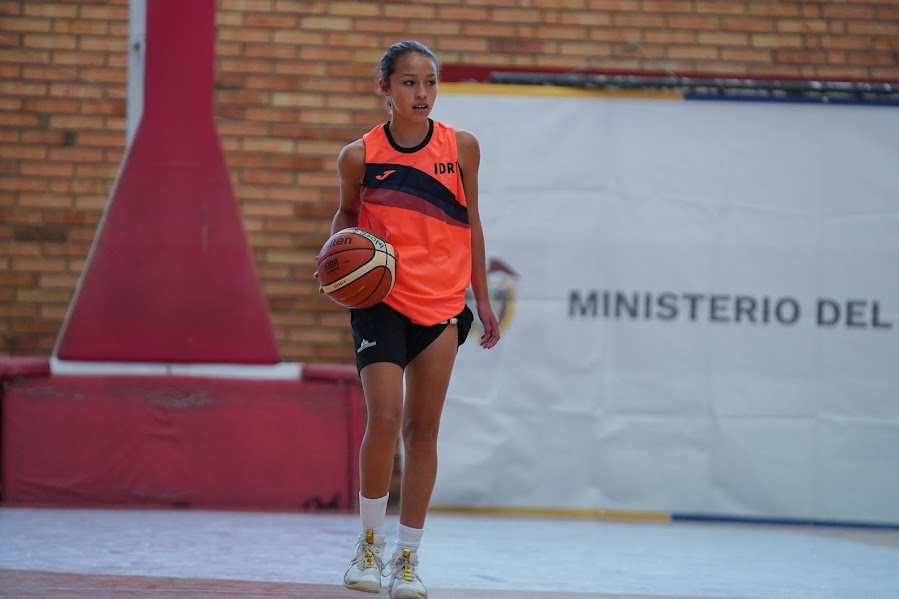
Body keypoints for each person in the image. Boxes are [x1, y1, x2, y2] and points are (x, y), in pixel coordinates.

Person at [321, 40, 501, 598]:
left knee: (423, 432)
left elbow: (471, 224)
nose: (421, 93)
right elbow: (348, 216)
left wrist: (483, 299)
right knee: (386, 415)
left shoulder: (461, 147)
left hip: (444, 303)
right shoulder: (360, 156)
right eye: (408, 83)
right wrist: (334, 259)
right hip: (382, 300)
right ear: (385, 90)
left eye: (429, 82)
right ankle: (368, 549)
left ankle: (408, 560)